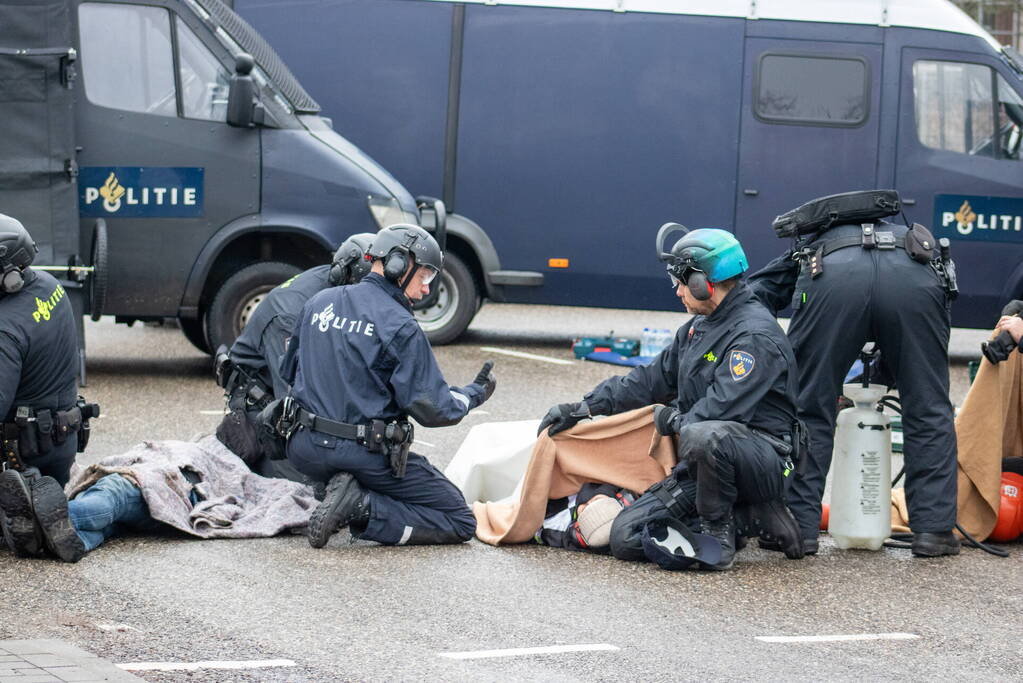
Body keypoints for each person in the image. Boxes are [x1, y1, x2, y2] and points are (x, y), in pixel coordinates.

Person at [539, 228, 804, 570]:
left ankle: (719, 530)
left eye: (682, 282)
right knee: (626, 538)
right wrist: (586, 407)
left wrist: (675, 421)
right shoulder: (698, 327)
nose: (678, 291)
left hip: (763, 460)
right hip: (707, 464)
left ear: (703, 283)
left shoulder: (754, 336)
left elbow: (717, 412)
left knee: (703, 434)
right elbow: (650, 380)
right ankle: (747, 515)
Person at [748, 192, 960, 557]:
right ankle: (934, 531)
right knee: (928, 409)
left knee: (808, 407)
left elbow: (755, 294)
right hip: (916, 284)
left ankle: (799, 527)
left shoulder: (817, 243)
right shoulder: (908, 239)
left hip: (832, 282)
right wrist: (890, 370)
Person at [279, 223, 496, 548]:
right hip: (361, 454)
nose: (426, 290)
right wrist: (473, 395)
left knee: (347, 460)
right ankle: (362, 507)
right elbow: (435, 409)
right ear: (398, 263)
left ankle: (334, 489)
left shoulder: (319, 302)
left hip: (303, 450)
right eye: (424, 277)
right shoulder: (400, 325)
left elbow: (288, 370)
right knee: (459, 520)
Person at [0, 436, 317, 563]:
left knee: (114, 494)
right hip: (170, 500)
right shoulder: (226, 455)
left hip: (168, 485)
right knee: (110, 525)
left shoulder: (223, 455)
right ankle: (61, 540)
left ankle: (39, 521)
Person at [214, 233, 374, 481]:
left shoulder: (342, 285)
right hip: (266, 412)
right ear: (345, 276)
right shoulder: (290, 315)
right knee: (306, 494)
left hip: (294, 399)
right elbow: (295, 402)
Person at [0, 214, 96, 488]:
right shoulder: (50, 286)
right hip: (60, 446)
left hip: (23, 458)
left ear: (9, 275)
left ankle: (27, 514)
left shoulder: (6, 329)